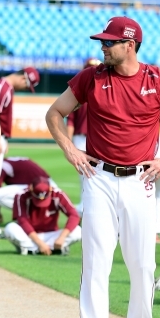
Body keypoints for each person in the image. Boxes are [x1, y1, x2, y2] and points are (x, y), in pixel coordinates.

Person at [45, 16, 160, 318]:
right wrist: (70, 148)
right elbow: (54, 113)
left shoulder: (159, 80)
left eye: (109, 42)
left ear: (130, 44)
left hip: (140, 182)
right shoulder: (91, 77)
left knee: (142, 265)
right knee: (96, 266)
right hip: (98, 178)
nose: (102, 46)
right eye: (103, 41)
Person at [0, 67, 40, 239]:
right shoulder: (1, 88)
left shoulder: (4, 87)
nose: (24, 88)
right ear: (23, 78)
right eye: (27, 85)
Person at [4, 176, 81, 255]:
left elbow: (74, 216)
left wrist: (62, 237)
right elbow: (22, 221)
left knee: (78, 230)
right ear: (31, 189)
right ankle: (51, 249)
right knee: (10, 228)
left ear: (50, 189)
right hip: (30, 236)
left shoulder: (58, 194)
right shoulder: (21, 196)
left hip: (52, 235)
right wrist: (40, 243)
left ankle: (32, 249)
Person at [66, 58, 101, 215]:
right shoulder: (78, 93)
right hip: (81, 138)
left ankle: (94, 207)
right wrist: (68, 144)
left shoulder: (104, 91)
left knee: (100, 173)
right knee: (84, 174)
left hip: (99, 138)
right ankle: (85, 206)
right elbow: (71, 121)